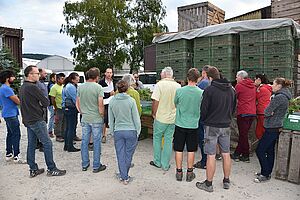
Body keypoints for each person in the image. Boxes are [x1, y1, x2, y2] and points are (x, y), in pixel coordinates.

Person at [19, 65, 66, 177]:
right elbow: (46, 102)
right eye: (36, 73)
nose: (38, 75)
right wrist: (40, 103)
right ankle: (51, 168)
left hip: (28, 119)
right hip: (36, 119)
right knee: (47, 143)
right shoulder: (33, 87)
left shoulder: (23, 87)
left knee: (31, 144)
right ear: (30, 75)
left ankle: (33, 168)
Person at [196, 66, 236, 192]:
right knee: (226, 154)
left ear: (210, 77)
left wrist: (205, 120)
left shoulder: (209, 90)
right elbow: (234, 108)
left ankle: (208, 184)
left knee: (211, 156)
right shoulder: (232, 90)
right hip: (226, 125)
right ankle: (226, 180)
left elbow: (203, 110)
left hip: (211, 126)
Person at [254, 78, 292, 183]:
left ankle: (265, 173)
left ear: (279, 86)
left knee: (260, 150)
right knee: (270, 150)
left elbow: (266, 111)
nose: (272, 86)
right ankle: (266, 172)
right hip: (275, 126)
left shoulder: (279, 97)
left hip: (271, 126)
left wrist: (270, 112)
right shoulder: (285, 96)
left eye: (274, 84)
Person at [109, 80, 141, 185]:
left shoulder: (112, 101)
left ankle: (124, 176)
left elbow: (111, 119)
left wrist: (112, 131)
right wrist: (138, 131)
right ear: (127, 88)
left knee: (120, 154)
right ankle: (125, 176)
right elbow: (136, 118)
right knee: (128, 154)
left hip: (118, 130)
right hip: (131, 130)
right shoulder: (131, 101)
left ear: (117, 89)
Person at [173, 68, 203, 182]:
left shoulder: (180, 91)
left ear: (187, 78)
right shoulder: (201, 92)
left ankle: (179, 172)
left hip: (180, 124)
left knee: (178, 149)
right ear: (198, 79)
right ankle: (190, 172)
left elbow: (175, 104)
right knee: (191, 150)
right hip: (193, 125)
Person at [150, 67, 181, 171]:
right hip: (172, 118)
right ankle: (165, 164)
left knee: (157, 138)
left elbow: (155, 101)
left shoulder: (160, 85)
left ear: (163, 75)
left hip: (160, 117)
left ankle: (157, 161)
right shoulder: (178, 86)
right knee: (168, 140)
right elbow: (178, 103)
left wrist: (154, 113)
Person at [76, 67, 106, 173]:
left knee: (84, 141)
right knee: (97, 142)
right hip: (96, 118)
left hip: (85, 117)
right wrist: (102, 114)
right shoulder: (98, 88)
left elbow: (77, 102)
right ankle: (96, 165)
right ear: (97, 77)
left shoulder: (80, 87)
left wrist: (81, 112)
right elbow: (100, 104)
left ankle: (85, 164)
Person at [0, 69, 25, 164]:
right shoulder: (6, 89)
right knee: (16, 134)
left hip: (8, 113)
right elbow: (17, 101)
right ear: (7, 78)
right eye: (12, 76)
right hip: (11, 114)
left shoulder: (2, 88)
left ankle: (9, 153)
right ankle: (16, 155)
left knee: (10, 133)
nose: (14, 78)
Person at [231, 70, 256, 162]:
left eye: (237, 77)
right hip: (252, 113)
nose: (236, 78)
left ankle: (246, 155)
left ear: (241, 77)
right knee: (243, 135)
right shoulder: (253, 85)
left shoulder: (239, 86)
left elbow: (234, 97)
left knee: (243, 135)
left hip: (243, 113)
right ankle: (237, 153)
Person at [194, 65, 210, 169]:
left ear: (204, 73)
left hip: (202, 114)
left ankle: (204, 161)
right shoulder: (211, 83)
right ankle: (208, 158)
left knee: (202, 137)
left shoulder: (204, 83)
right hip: (210, 114)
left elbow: (195, 92)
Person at [62, 72, 80, 152]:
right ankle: (70, 146)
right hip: (71, 109)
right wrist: (79, 109)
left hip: (66, 108)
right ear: (72, 79)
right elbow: (75, 99)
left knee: (68, 127)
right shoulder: (71, 87)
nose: (78, 80)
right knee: (71, 127)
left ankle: (67, 145)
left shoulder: (67, 85)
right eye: (77, 79)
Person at [98, 68, 115, 143]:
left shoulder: (113, 81)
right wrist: (109, 93)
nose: (109, 74)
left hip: (111, 102)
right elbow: (99, 94)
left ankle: (111, 132)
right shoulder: (101, 82)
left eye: (110, 73)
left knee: (110, 118)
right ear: (105, 73)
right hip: (104, 102)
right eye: (108, 72)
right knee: (104, 119)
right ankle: (103, 135)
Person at [254, 74, 272, 140]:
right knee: (263, 129)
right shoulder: (267, 87)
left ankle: (263, 146)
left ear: (259, 79)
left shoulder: (261, 89)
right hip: (265, 110)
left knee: (259, 131)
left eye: (255, 79)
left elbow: (253, 97)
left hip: (262, 111)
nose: (254, 81)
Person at [49, 73, 66, 142]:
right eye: (62, 78)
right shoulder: (54, 87)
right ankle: (58, 135)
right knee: (58, 122)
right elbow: (52, 98)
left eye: (64, 78)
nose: (63, 80)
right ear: (58, 79)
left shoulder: (64, 86)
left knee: (64, 122)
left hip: (64, 107)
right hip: (58, 107)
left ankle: (63, 134)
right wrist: (55, 107)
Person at [36, 68, 48, 152]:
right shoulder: (37, 84)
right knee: (41, 124)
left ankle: (38, 142)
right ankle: (41, 143)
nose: (46, 75)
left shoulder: (43, 83)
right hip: (40, 107)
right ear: (39, 74)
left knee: (44, 122)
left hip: (44, 106)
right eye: (44, 73)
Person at [47, 73, 56, 138]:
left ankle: (53, 130)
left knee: (54, 117)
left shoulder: (52, 84)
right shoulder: (51, 85)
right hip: (51, 104)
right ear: (52, 78)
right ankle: (50, 131)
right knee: (52, 117)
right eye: (55, 77)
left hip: (51, 103)